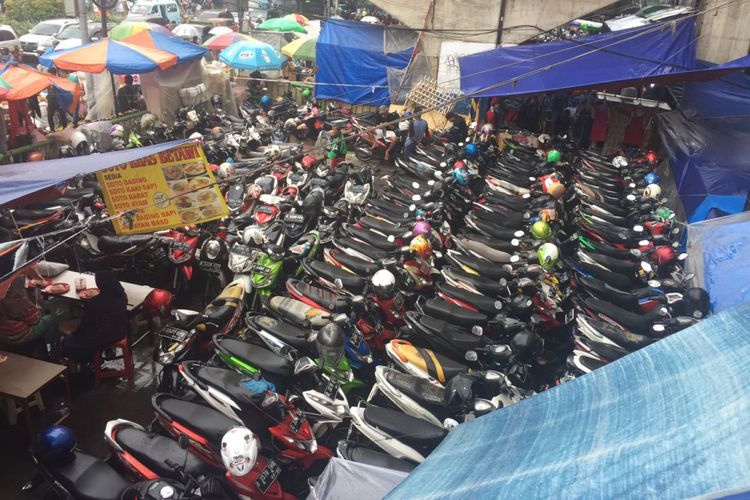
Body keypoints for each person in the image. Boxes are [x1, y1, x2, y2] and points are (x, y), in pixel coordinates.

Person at [61, 271, 128, 363]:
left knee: (68, 344)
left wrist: (76, 333)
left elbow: (86, 323)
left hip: (105, 336)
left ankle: (91, 364)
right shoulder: (121, 295)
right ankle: (94, 360)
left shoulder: (97, 302)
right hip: (121, 331)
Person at [0, 277, 60, 360]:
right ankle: (52, 354)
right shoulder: (18, 299)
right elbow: (35, 320)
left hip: (2, 334)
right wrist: (38, 305)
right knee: (51, 319)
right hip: (17, 335)